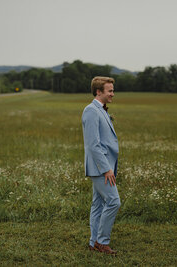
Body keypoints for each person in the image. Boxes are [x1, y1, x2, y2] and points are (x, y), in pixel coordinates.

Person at [82, 76, 120, 255]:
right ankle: (102, 242)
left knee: (98, 205)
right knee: (113, 201)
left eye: (112, 90)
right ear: (99, 92)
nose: (113, 93)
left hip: (105, 165)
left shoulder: (102, 110)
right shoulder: (91, 111)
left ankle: (93, 242)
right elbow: (93, 144)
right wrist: (106, 169)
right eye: (110, 90)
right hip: (100, 167)